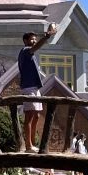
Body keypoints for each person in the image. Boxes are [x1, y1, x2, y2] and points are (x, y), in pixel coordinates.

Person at [17, 23, 57, 151]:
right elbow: (36, 47)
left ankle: (32, 143)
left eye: (35, 38)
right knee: (29, 116)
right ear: (25, 41)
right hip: (28, 88)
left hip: (35, 88)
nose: (34, 40)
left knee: (37, 115)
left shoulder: (31, 55)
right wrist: (47, 37)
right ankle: (28, 145)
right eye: (31, 39)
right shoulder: (25, 51)